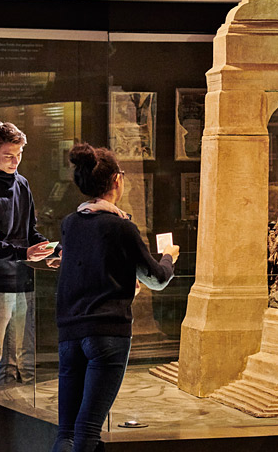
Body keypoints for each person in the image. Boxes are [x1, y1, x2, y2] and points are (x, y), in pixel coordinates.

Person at [52, 143, 178, 452]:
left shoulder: (70, 224)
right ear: (116, 181)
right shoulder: (122, 227)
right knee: (88, 429)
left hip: (69, 334)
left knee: (66, 432)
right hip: (108, 334)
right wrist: (168, 258)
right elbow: (157, 279)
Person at [0, 121, 55, 452]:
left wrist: (46, 250)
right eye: (7, 155)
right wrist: (23, 252)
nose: (14, 161)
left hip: (21, 281)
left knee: (17, 360)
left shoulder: (23, 184)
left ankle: (13, 423)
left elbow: (30, 230)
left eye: (18, 155)